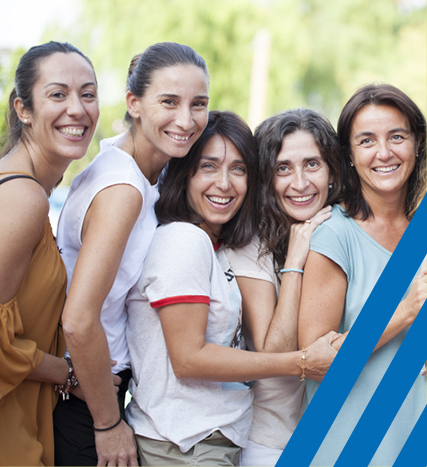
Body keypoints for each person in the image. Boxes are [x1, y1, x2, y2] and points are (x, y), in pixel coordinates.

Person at [125, 110, 339, 466]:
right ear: (185, 174)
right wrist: (302, 362)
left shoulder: (214, 244)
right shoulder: (185, 240)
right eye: (209, 167)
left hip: (215, 438)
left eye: (238, 169)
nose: (224, 184)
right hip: (185, 441)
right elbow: (189, 358)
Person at [53, 42, 210, 466]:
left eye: (199, 104)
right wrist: (106, 423)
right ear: (134, 104)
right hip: (85, 396)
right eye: (169, 102)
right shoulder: (123, 189)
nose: (186, 119)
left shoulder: (129, 168)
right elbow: (79, 318)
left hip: (94, 386)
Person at [298, 83, 427, 466]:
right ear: (350, 155)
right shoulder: (336, 234)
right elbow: (317, 361)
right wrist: (406, 311)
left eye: (397, 137)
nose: (384, 152)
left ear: (417, 144)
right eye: (367, 140)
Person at [0, 41, 99, 466]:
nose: (76, 109)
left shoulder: (33, 190)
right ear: (23, 109)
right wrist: (71, 373)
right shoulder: (23, 197)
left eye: (88, 94)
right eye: (58, 94)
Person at [225, 108, 342, 466]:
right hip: (271, 441)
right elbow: (273, 355)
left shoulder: (343, 231)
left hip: (338, 434)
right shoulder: (248, 246)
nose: (300, 182)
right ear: (267, 178)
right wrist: (295, 261)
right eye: (283, 168)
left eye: (312, 164)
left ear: (333, 171)